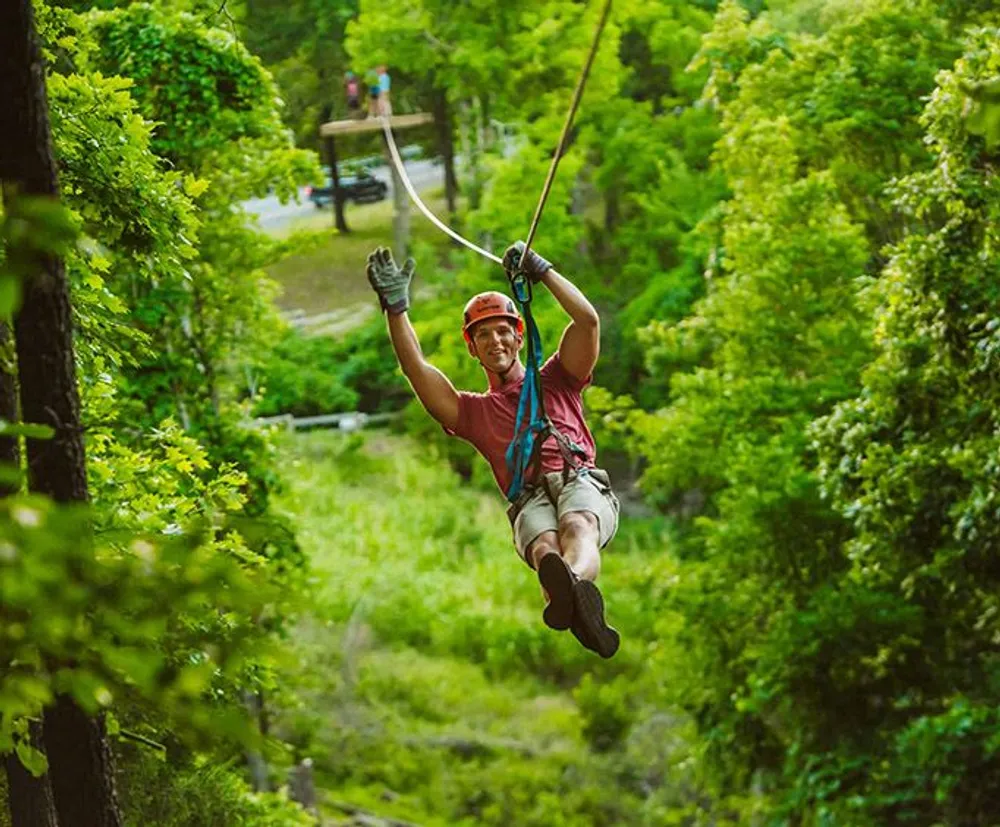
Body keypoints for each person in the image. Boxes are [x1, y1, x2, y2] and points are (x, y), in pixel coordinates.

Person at [364, 243, 621, 658]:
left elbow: (587, 321)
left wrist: (542, 271)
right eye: (483, 334)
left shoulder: (558, 377)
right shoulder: (473, 413)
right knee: (543, 549)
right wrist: (396, 310)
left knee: (576, 525)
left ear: (519, 336)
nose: (494, 340)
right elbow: (417, 370)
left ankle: (571, 588)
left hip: (579, 479)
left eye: (503, 330)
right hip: (529, 497)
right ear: (472, 346)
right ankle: (573, 598)